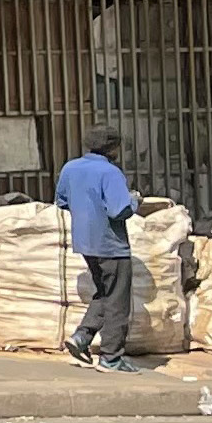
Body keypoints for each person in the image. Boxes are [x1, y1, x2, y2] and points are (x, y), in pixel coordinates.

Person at [57, 126, 152, 370]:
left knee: (105, 292)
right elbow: (119, 210)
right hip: (111, 244)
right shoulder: (110, 172)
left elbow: (62, 201)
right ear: (112, 148)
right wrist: (135, 200)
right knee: (118, 301)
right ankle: (111, 357)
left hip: (85, 242)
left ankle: (82, 336)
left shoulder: (70, 168)